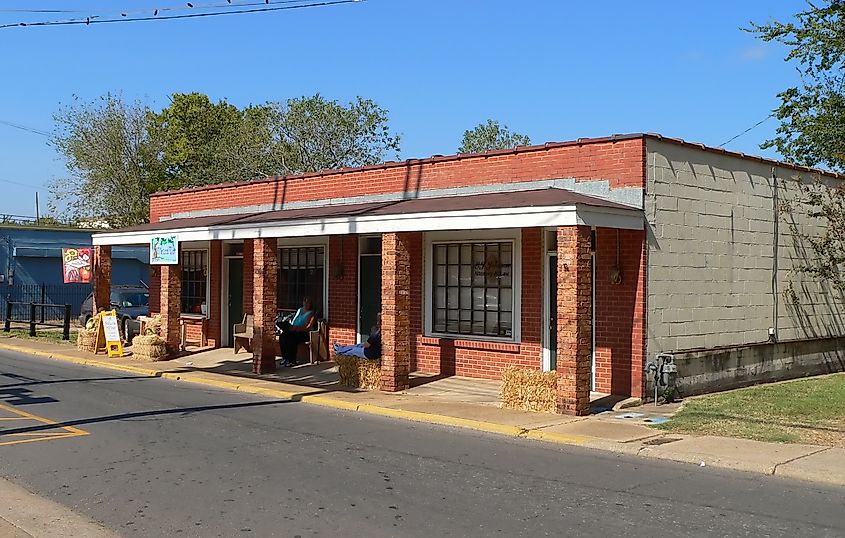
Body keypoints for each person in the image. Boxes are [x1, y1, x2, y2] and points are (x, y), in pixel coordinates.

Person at [277, 297, 316, 367]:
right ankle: (285, 358)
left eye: (308, 302)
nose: (306, 304)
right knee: (283, 336)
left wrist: (297, 328)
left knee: (292, 339)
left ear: (311, 304)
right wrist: (290, 326)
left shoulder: (311, 313)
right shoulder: (299, 310)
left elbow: (308, 327)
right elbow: (294, 320)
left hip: (303, 333)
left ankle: (292, 360)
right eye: (305, 301)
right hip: (293, 330)